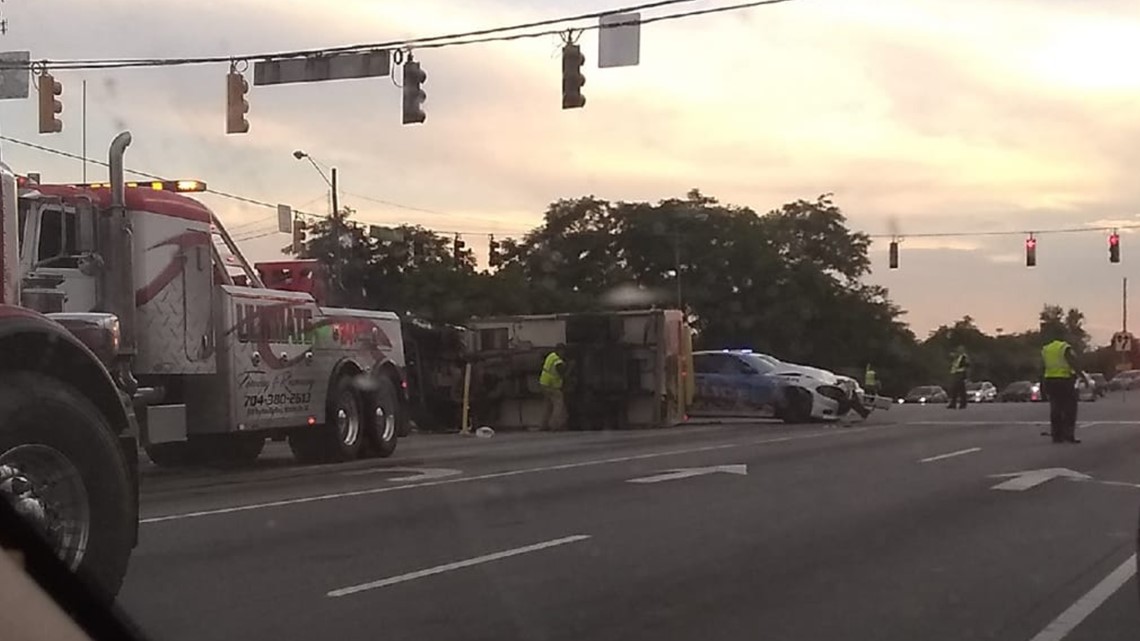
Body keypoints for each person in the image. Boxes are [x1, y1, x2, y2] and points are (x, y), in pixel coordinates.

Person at [1041, 330, 1085, 444]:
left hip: (1050, 380)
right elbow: (1073, 363)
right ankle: (1069, 435)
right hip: (1064, 380)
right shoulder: (1064, 348)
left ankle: (1056, 436)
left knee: (1055, 409)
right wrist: (1083, 377)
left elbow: (1043, 367)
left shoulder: (1046, 349)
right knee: (1070, 409)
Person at [539, 343, 567, 431]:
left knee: (548, 405)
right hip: (551, 385)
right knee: (558, 404)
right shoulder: (557, 361)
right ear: (560, 350)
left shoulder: (551, 356)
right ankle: (555, 425)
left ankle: (544, 425)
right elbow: (562, 373)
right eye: (563, 351)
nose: (564, 353)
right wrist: (570, 368)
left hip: (543, 383)